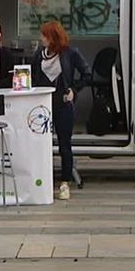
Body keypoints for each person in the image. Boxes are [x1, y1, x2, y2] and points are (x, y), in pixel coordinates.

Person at [31, 21, 91, 200]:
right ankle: (43, 180)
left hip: (63, 104)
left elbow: (87, 74)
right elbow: (34, 76)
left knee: (64, 144)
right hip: (43, 105)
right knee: (41, 144)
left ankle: (65, 183)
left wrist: (74, 90)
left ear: (52, 37)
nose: (41, 38)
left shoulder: (70, 53)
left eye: (44, 35)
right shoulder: (39, 55)